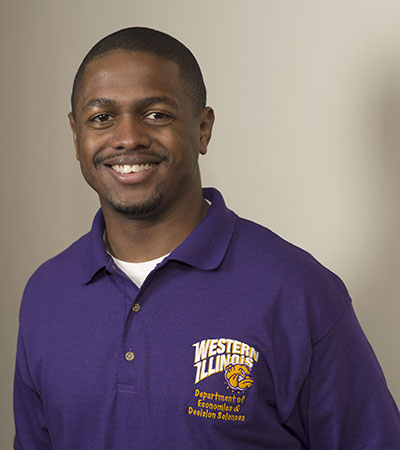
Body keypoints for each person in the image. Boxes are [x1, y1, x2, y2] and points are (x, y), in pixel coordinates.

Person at [14, 27, 400, 450]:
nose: (128, 138)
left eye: (156, 114)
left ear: (202, 128)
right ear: (76, 135)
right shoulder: (45, 295)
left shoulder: (297, 291)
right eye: (102, 118)